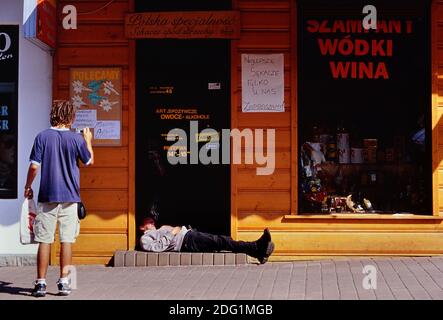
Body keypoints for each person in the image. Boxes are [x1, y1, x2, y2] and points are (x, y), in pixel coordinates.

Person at [24, 100, 94, 297]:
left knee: (44, 240)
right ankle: (63, 283)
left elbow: (34, 167)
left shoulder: (42, 137)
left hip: (47, 196)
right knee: (67, 240)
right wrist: (87, 139)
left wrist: (28, 186)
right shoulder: (76, 139)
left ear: (53, 114)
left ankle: (40, 283)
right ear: (71, 117)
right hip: (70, 196)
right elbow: (89, 160)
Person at [139, 217, 275, 264]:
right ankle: (257, 247)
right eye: (148, 221)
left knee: (221, 241)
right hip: (186, 241)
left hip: (189, 236)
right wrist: (173, 232)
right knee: (221, 241)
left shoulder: (158, 229)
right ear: (141, 227)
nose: (151, 221)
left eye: (151, 220)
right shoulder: (144, 238)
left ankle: (257, 251)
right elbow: (157, 248)